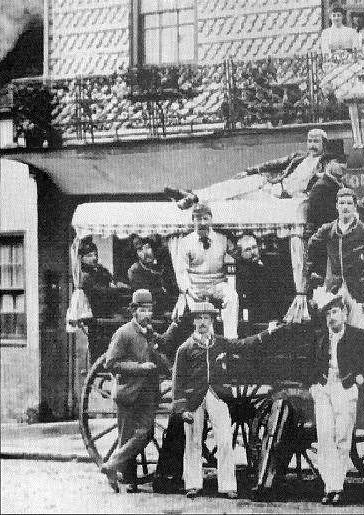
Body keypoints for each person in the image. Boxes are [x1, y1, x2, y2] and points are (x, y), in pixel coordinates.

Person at [172, 301, 277, 499]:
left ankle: (228, 485)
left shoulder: (219, 342)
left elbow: (243, 345)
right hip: (194, 398)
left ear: (212, 321)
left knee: (225, 439)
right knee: (193, 441)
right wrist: (182, 407)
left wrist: (267, 333)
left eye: (206, 318)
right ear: (194, 322)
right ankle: (193, 484)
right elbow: (178, 381)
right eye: (199, 318)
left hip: (217, 395)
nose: (203, 322)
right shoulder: (184, 349)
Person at [99, 289, 176, 493]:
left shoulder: (149, 331)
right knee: (126, 437)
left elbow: (160, 348)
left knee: (145, 432)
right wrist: (139, 367)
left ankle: (111, 465)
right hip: (128, 392)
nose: (147, 314)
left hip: (148, 393)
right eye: (143, 310)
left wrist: (175, 325)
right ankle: (128, 480)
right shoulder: (124, 333)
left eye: (149, 310)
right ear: (134, 311)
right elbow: (111, 363)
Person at [309, 295, 364, 505]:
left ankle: (337, 486)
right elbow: (309, 364)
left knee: (343, 437)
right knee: (325, 435)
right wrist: (314, 384)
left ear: (345, 314)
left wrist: (359, 378)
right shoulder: (320, 338)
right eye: (328, 314)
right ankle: (330, 487)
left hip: (345, 388)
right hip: (324, 388)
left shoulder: (358, 337)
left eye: (335, 312)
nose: (331, 318)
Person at [172, 128, 338, 207]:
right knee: (239, 186)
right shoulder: (298, 157)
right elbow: (271, 164)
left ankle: (195, 197)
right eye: (310, 141)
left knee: (233, 197)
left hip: (286, 199)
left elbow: (324, 185)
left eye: (316, 141)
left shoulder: (327, 163)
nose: (312, 145)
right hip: (271, 189)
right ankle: (194, 198)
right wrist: (247, 171)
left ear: (324, 144)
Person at [306, 188, 364, 330]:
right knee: (333, 331)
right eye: (341, 203)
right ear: (336, 206)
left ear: (355, 206)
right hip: (335, 290)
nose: (345, 207)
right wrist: (316, 277)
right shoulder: (328, 230)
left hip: (358, 291)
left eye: (349, 203)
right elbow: (311, 247)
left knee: (356, 334)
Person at [174, 204, 240, 339]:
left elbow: (233, 262)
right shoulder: (185, 242)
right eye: (198, 219)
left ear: (211, 219)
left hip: (218, 284)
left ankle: (231, 339)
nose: (202, 223)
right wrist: (188, 290)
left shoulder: (222, 240)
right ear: (193, 220)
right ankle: (206, 341)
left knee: (232, 296)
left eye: (205, 218)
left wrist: (229, 286)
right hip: (195, 286)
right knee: (200, 312)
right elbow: (181, 271)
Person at [127, 235, 178, 316]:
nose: (145, 252)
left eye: (147, 247)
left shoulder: (164, 267)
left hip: (170, 310)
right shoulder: (135, 270)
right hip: (149, 311)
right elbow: (145, 294)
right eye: (140, 249)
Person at [78, 237, 129, 318]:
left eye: (95, 255)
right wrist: (114, 289)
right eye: (89, 256)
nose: (94, 258)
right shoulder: (84, 275)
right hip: (97, 311)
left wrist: (117, 283)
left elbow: (111, 279)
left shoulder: (100, 270)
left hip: (109, 307)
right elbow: (98, 293)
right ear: (81, 259)